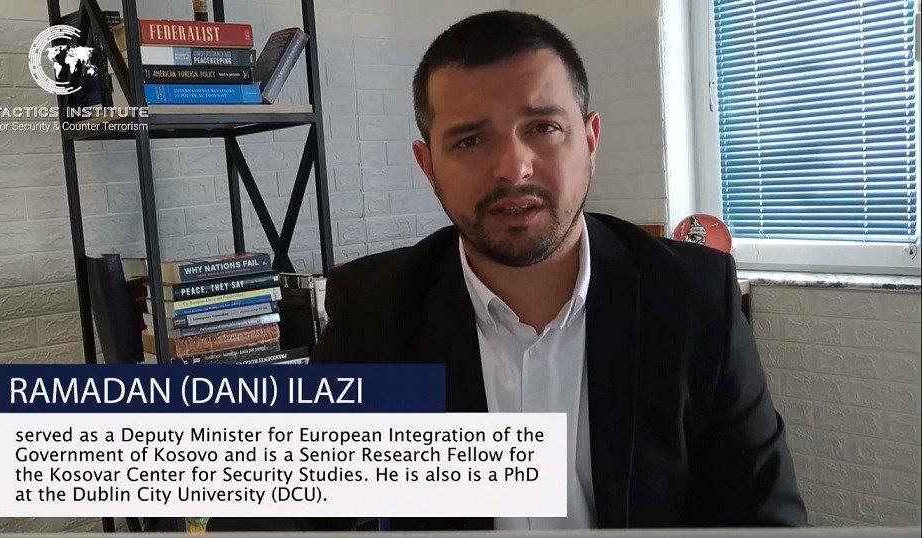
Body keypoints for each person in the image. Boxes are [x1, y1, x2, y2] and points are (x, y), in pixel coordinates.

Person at [312, 10, 807, 531]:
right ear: (428, 165)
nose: (514, 168)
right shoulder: (376, 309)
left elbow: (764, 517)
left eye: (543, 128)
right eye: (470, 141)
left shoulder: (692, 298)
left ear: (590, 141)